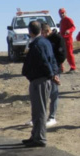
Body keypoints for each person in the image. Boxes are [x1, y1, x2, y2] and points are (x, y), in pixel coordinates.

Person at [21, 20, 60, 148]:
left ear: (30, 31)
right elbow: (52, 60)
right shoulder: (45, 42)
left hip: (40, 80)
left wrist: (51, 75)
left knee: (40, 111)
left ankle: (40, 138)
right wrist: (54, 74)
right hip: (41, 79)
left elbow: (44, 62)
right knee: (37, 110)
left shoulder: (37, 44)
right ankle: (35, 135)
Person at [42, 23, 66, 126]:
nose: (42, 35)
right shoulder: (43, 40)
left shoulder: (58, 39)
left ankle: (52, 117)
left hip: (55, 69)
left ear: (47, 31)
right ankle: (39, 117)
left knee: (54, 93)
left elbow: (62, 56)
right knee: (43, 94)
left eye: (42, 33)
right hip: (44, 70)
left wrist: (54, 65)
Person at [58, 8, 77, 73]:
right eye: (60, 14)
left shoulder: (68, 20)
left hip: (68, 39)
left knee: (69, 53)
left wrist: (69, 30)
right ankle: (61, 68)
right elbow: (61, 30)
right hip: (62, 39)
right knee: (60, 53)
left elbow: (73, 27)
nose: (62, 15)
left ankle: (73, 67)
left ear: (65, 13)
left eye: (63, 13)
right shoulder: (61, 21)